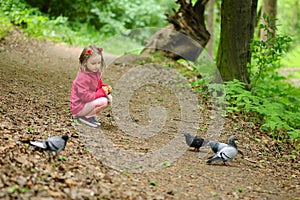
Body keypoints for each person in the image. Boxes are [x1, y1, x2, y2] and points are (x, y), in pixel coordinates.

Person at [70, 44, 112, 127]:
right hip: (79, 107)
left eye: (99, 63)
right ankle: (84, 117)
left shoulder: (95, 73)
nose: (97, 66)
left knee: (107, 98)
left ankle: (89, 116)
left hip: (86, 104)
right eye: (93, 63)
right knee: (103, 101)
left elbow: (98, 87)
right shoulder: (82, 78)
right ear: (85, 63)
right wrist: (102, 92)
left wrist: (106, 89)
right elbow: (86, 97)